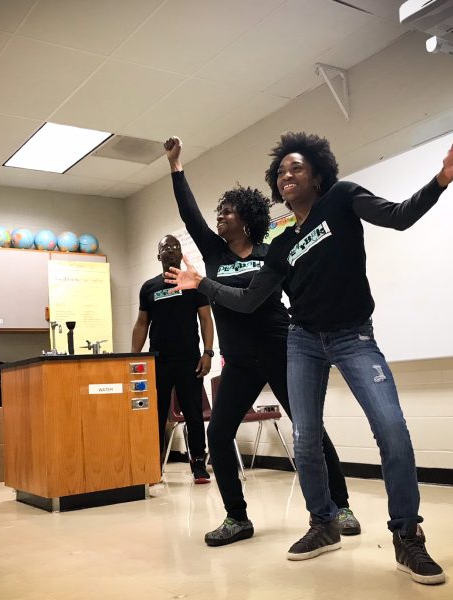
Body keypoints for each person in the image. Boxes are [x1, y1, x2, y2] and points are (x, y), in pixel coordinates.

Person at [166, 131, 453, 584]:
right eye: (281, 171)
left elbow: (399, 217)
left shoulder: (342, 199)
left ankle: (406, 535)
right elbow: (246, 301)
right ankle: (322, 524)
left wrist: (440, 179)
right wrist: (200, 283)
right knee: (304, 438)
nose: (287, 175)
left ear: (319, 174)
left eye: (297, 167)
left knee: (392, 430)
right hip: (302, 341)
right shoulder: (283, 244)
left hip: (352, 336)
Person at [164, 136, 361, 547]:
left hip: (282, 352)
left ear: (248, 218)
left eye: (229, 211)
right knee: (218, 434)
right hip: (238, 363)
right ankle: (237, 518)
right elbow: (190, 215)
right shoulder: (214, 253)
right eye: (220, 211)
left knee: (309, 432)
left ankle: (340, 506)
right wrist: (175, 166)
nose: (221, 216)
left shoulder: (273, 251)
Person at [132, 235, 215, 484]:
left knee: (193, 412)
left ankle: (198, 463)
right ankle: (153, 464)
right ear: (158, 256)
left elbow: (206, 319)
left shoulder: (193, 283)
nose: (170, 250)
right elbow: (142, 323)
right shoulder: (149, 287)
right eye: (165, 248)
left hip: (189, 359)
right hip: (158, 361)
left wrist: (208, 352)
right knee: (155, 415)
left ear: (181, 254)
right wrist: (133, 359)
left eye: (175, 247)